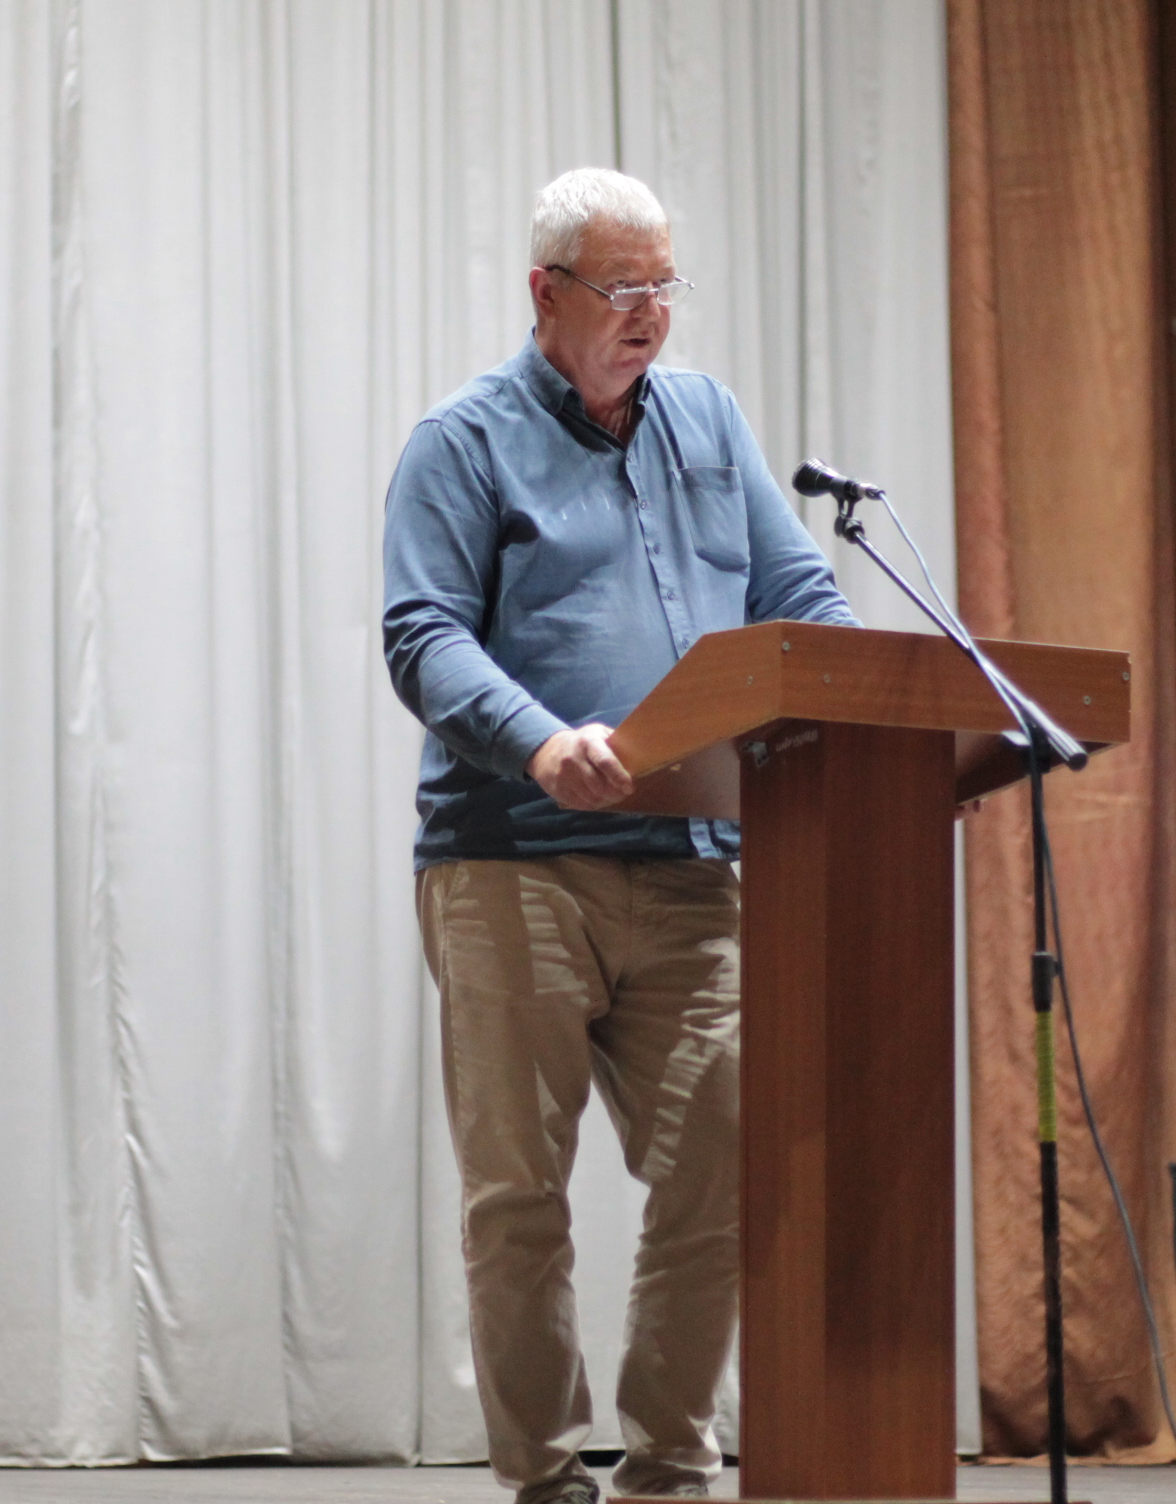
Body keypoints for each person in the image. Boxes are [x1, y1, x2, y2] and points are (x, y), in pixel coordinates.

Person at [381, 167, 857, 1504]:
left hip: (694, 864)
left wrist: (867, 691)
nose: (651, 313)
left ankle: (667, 1465)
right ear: (547, 293)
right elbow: (421, 634)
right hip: (508, 866)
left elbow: (795, 589)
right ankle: (547, 1479)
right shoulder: (462, 442)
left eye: (665, 285)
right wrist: (540, 740)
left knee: (731, 1164)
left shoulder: (707, 419)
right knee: (518, 1198)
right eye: (623, 288)